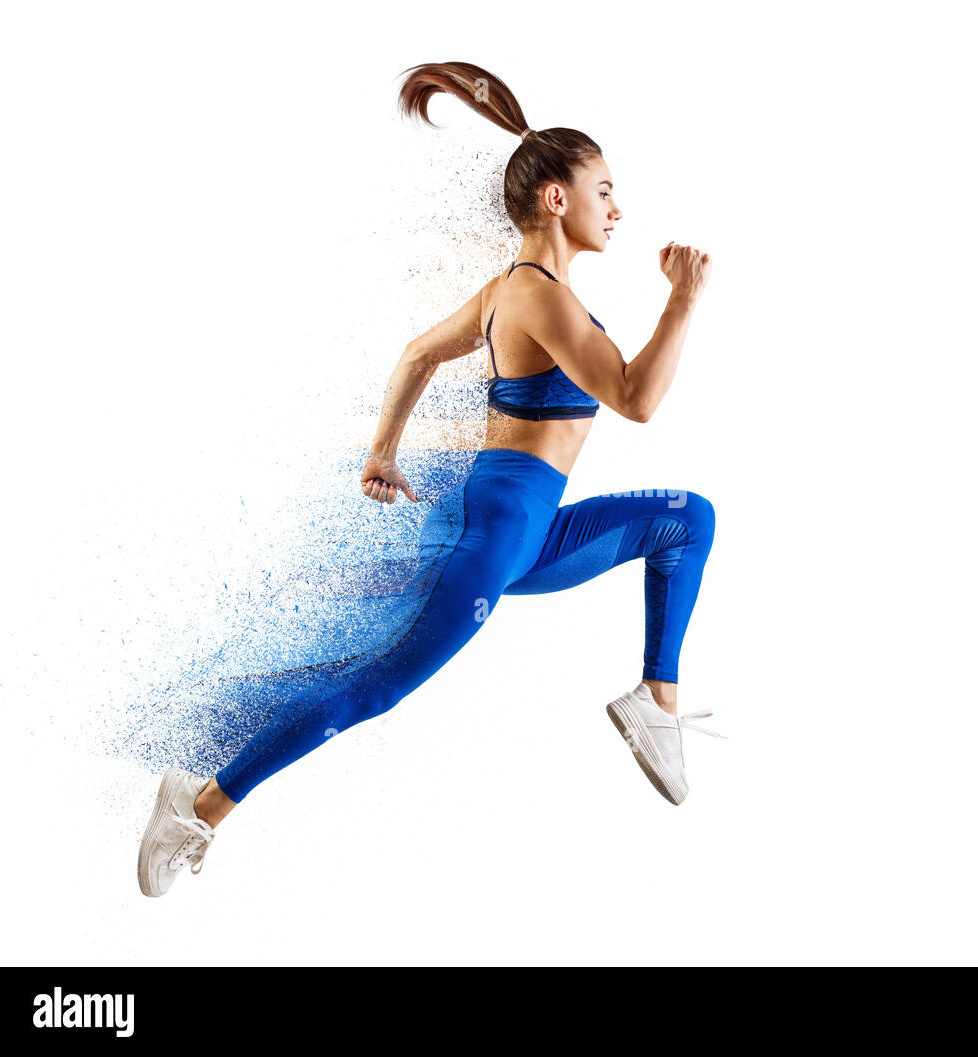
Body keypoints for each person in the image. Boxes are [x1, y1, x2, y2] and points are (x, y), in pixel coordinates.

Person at [137, 61, 719, 897]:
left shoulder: (511, 293)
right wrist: (683, 301)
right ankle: (196, 808)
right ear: (556, 198)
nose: (617, 208)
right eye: (604, 190)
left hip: (528, 533)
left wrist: (383, 452)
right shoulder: (537, 296)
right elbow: (635, 397)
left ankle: (655, 702)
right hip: (487, 539)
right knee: (367, 691)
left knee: (687, 519)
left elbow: (416, 352)